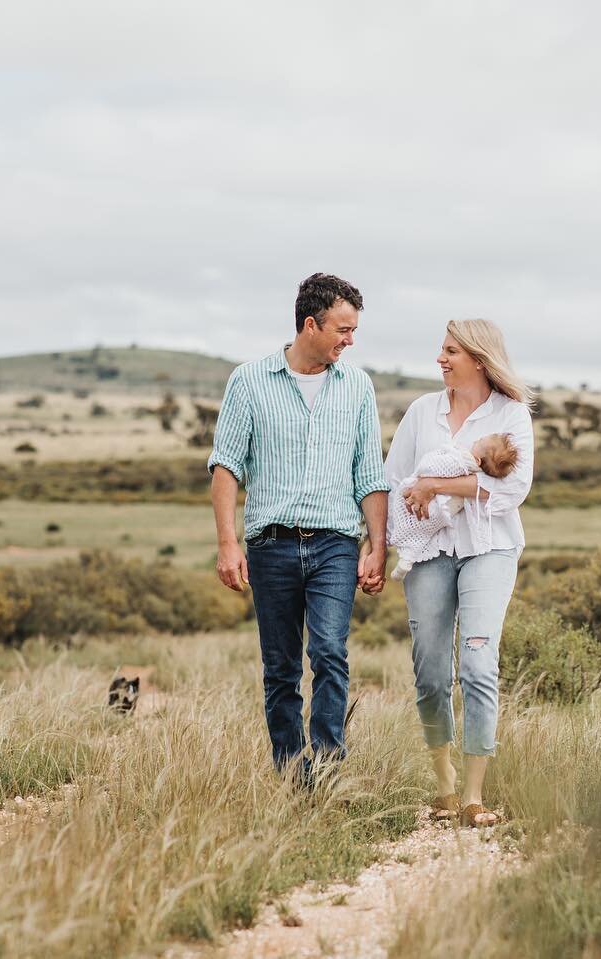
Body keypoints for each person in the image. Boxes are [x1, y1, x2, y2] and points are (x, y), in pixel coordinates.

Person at [207, 272, 390, 784]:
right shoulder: (249, 380)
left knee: (330, 652)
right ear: (311, 324)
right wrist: (227, 544)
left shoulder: (357, 385)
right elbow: (227, 468)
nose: (350, 341)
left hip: (335, 542)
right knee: (281, 668)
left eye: (353, 331)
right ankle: (291, 775)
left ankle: (330, 772)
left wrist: (378, 548)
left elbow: (369, 474)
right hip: (271, 545)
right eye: (343, 329)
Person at [384, 319, 535, 827]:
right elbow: (392, 481)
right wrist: (377, 545)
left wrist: (434, 485)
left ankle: (474, 797)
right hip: (429, 550)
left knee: (477, 662)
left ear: (478, 357)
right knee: (429, 670)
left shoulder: (511, 415)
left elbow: (512, 491)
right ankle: (443, 783)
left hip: (489, 548)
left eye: (451, 351)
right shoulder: (422, 411)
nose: (441, 359)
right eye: (441, 350)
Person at [386, 432, 520, 581]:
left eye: (480, 441)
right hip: (445, 513)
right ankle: (406, 558)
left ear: (477, 459)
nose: (476, 439)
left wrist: (429, 474)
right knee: (420, 535)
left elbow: (432, 467)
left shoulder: (463, 460)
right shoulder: (476, 474)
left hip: (435, 507)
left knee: (407, 516)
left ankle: (403, 553)